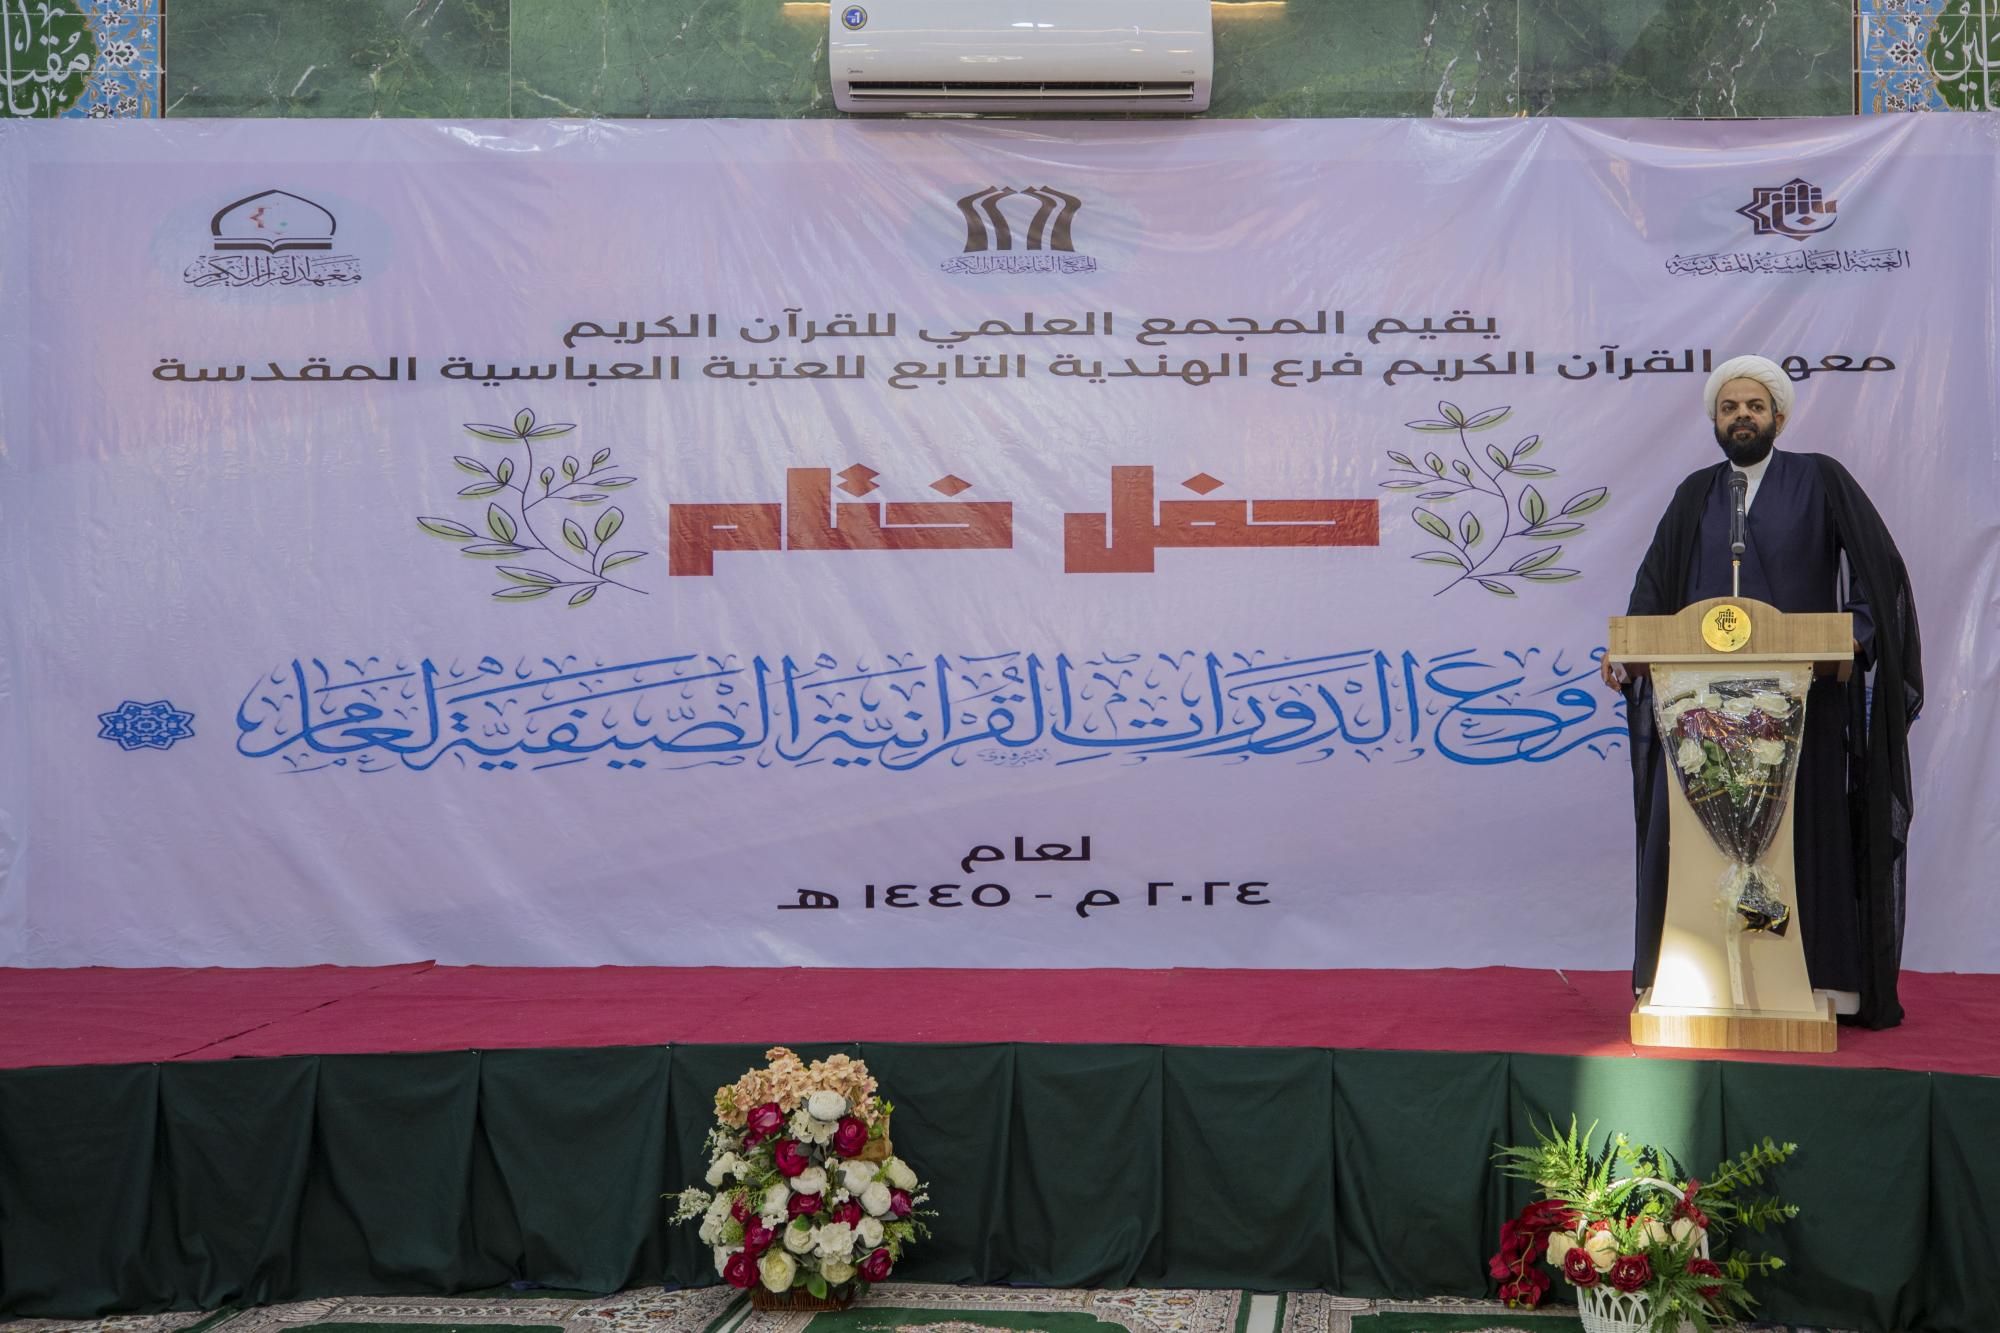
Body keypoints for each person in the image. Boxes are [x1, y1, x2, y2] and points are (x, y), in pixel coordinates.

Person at [1599, 355, 1922, 1029]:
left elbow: (1879, 569)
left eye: (1754, 406)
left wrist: (1856, 635)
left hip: (1799, 702)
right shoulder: (1695, 493)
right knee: (1697, 840)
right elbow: (1654, 584)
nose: (1741, 416)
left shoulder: (1820, 479)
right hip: (1699, 711)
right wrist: (1627, 650)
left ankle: (1817, 977)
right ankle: (1695, 976)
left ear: (1778, 416)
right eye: (1729, 407)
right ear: (1716, 421)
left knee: (1801, 840)